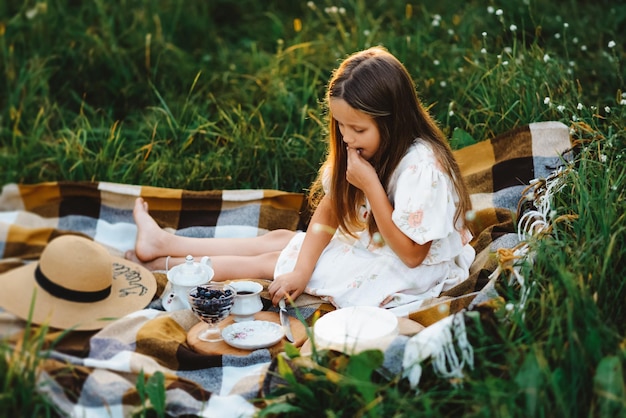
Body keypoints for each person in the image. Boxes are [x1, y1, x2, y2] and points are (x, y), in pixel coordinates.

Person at [128, 46, 475, 309]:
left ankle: (161, 266)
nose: (347, 137)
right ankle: (166, 244)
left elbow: (413, 255)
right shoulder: (363, 149)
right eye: (340, 125)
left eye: (358, 128)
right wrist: (306, 264)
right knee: (280, 239)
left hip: (406, 269)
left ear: (393, 121)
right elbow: (330, 210)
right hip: (376, 245)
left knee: (273, 262)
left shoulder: (421, 167)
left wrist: (369, 186)